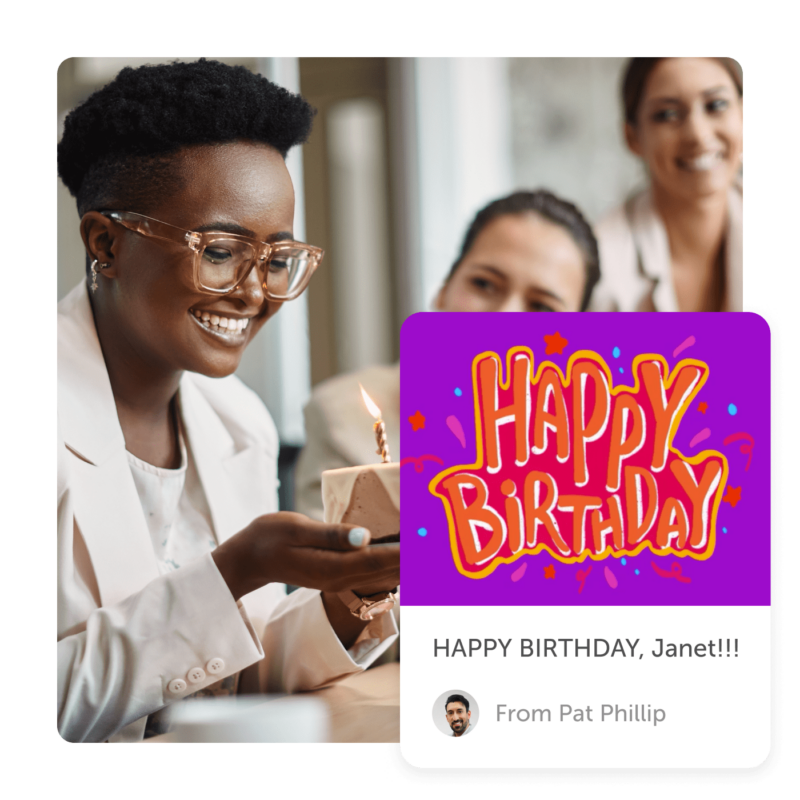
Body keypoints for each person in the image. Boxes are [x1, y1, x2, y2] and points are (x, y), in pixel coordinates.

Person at [56, 58, 400, 745]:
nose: (253, 292)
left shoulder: (238, 420)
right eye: (219, 251)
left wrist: (347, 600)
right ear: (107, 243)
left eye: (276, 259)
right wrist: (237, 569)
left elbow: (231, 675)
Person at [295, 189, 600, 521]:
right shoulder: (346, 419)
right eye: (484, 284)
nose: (504, 319)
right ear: (442, 290)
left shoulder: (608, 449)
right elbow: (332, 569)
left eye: (542, 308)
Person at [592, 56, 744, 312]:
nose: (698, 134)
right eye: (667, 114)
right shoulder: (599, 267)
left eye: (716, 105)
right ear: (633, 137)